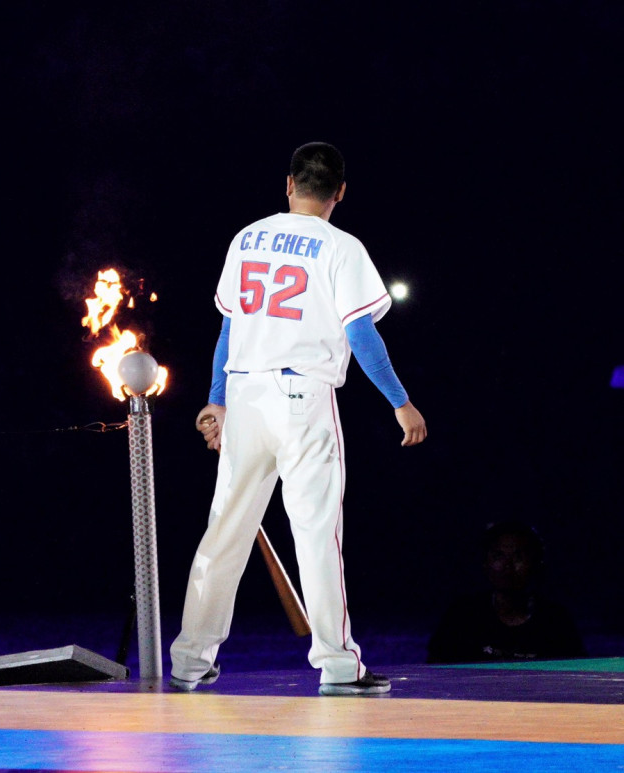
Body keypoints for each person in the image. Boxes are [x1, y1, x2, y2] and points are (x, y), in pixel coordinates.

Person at [168, 141, 427, 696]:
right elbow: (361, 334)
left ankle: (191, 661)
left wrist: (217, 400)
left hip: (245, 395)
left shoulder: (247, 237)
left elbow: (229, 329)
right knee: (315, 536)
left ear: (288, 184)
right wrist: (400, 401)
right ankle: (337, 666)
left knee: (224, 533)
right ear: (340, 192)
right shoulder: (342, 247)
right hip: (303, 398)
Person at [427, 520, 586, 663]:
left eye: (518, 557)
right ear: (486, 563)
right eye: (499, 556)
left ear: (536, 564)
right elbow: (434, 670)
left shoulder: (556, 621)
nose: (507, 566)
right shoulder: (463, 615)